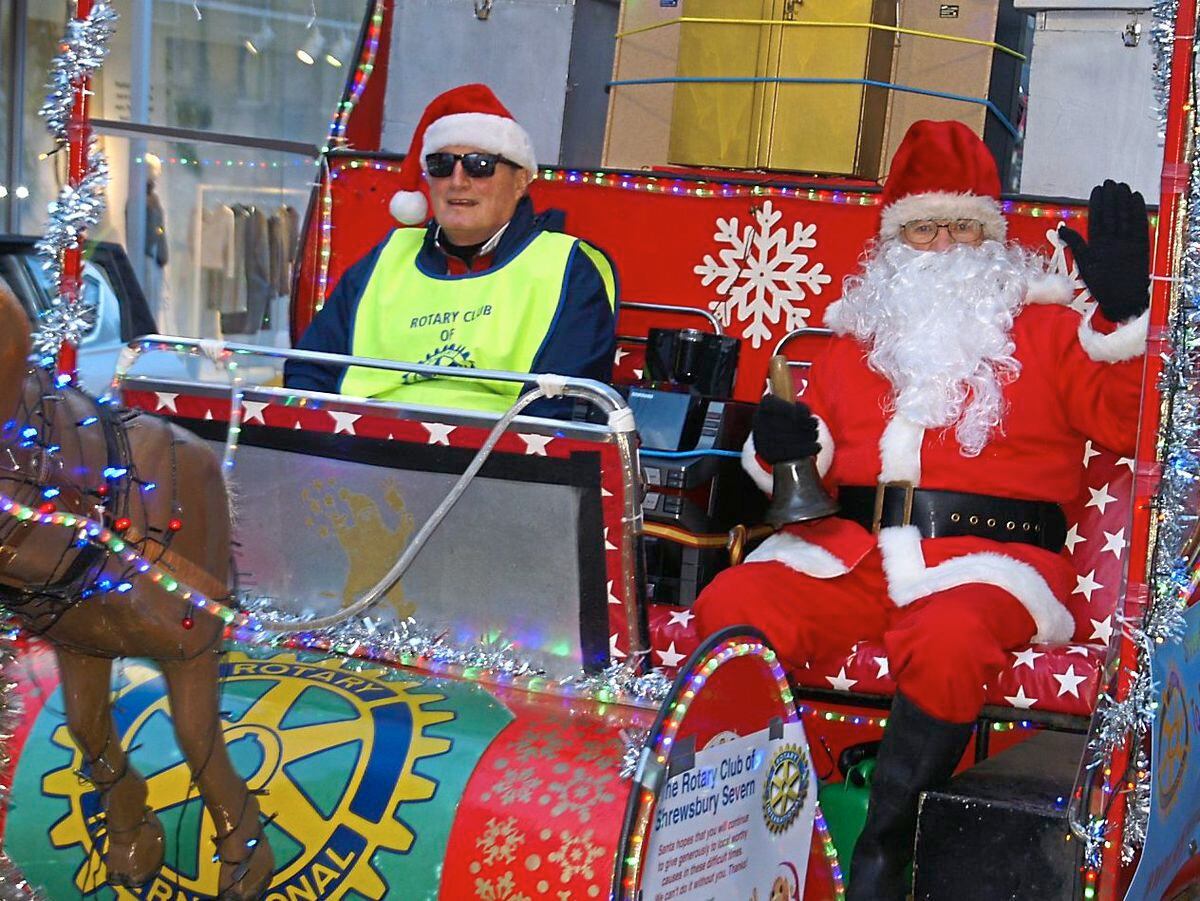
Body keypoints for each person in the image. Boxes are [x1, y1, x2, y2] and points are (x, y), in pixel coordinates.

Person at [694, 120, 1149, 900]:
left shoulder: (1047, 328)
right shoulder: (858, 337)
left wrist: (1129, 321)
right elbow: (811, 462)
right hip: (855, 550)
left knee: (947, 637)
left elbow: (1128, 418)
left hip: (991, 562)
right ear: (894, 242)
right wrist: (776, 445)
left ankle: (882, 852)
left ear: (992, 235)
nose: (945, 245)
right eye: (925, 228)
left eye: (964, 226)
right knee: (733, 601)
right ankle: (752, 840)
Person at [284, 83, 618, 416]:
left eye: (480, 164)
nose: (457, 181)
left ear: (521, 181)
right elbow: (309, 371)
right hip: (361, 452)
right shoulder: (386, 257)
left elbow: (563, 411)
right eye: (441, 164)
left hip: (499, 459)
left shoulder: (567, 268)